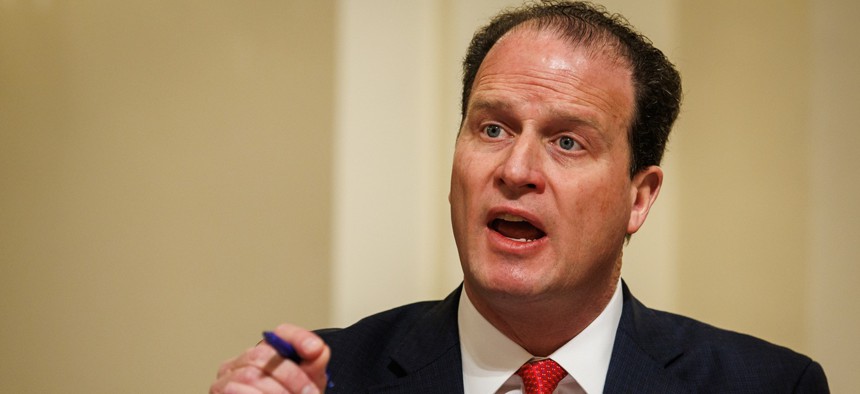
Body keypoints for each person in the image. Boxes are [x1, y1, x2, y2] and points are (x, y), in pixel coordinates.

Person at [210, 1, 829, 393]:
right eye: (493, 129)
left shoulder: (769, 384)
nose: (517, 169)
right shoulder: (328, 381)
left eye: (567, 141)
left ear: (639, 197)